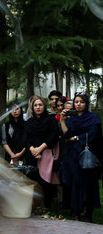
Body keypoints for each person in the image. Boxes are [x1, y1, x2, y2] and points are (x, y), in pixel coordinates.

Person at [59, 93, 103, 222]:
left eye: (82, 102)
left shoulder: (93, 118)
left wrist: (78, 138)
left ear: (86, 104)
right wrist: (62, 120)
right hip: (72, 155)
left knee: (87, 183)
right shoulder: (71, 119)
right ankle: (76, 211)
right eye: (76, 102)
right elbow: (67, 134)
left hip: (86, 155)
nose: (78, 104)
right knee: (74, 182)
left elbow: (93, 134)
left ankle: (88, 212)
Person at [24, 96, 60, 214]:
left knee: (46, 182)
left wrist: (40, 149)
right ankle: (34, 206)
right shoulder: (29, 123)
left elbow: (53, 136)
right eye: (35, 105)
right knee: (33, 182)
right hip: (32, 155)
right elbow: (26, 139)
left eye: (40, 105)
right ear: (32, 108)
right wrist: (33, 150)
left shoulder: (51, 120)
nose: (38, 107)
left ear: (44, 106)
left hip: (46, 153)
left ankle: (47, 206)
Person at [1, 101, 26, 166]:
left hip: (23, 156)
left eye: (17, 109)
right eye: (12, 109)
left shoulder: (26, 125)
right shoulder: (6, 125)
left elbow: (28, 142)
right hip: (10, 156)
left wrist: (20, 154)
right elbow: (4, 142)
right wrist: (12, 155)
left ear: (21, 109)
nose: (15, 111)